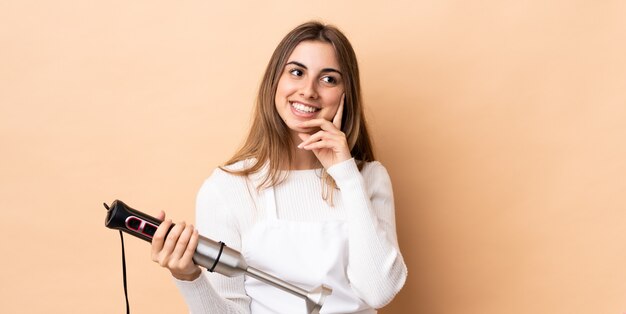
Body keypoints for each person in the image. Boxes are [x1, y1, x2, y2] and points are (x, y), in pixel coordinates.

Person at [150, 21, 407, 314]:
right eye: (296, 72)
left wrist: (347, 175)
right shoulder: (226, 188)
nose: (309, 91)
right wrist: (189, 278)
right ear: (275, 82)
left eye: (329, 79)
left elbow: (379, 292)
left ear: (346, 95)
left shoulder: (368, 178)